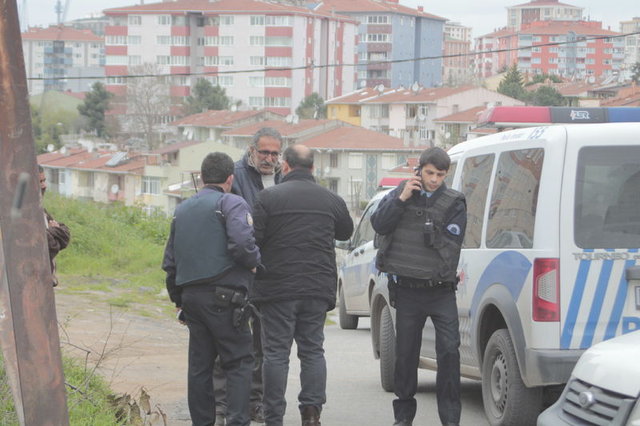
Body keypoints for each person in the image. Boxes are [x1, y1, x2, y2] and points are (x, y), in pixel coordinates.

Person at [251, 144, 354, 426]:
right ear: (313, 168)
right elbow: (346, 231)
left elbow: (253, 239)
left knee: (275, 353)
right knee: (312, 350)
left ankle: (273, 416)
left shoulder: (268, 197)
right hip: (316, 288)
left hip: (277, 288)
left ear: (284, 166)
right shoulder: (331, 199)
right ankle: (311, 413)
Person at [162, 152, 260, 426]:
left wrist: (178, 300)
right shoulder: (231, 203)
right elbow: (242, 244)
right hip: (226, 298)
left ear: (201, 178)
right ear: (231, 178)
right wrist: (253, 263)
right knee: (239, 362)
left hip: (192, 299)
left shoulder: (182, 209)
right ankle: (237, 421)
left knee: (200, 367)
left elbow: (170, 262)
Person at [371, 147, 467, 426]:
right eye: (429, 173)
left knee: (449, 353)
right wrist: (401, 200)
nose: (435, 179)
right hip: (408, 290)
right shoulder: (401, 193)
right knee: (405, 356)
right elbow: (380, 224)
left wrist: (428, 221)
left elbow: (450, 247)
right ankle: (403, 417)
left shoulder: (454, 202)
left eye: (440, 174)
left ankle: (450, 420)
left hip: (440, 291)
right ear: (419, 170)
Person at [212, 127, 283, 425]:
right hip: (239, 271)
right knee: (228, 341)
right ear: (251, 150)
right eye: (264, 152)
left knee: (262, 345)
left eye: (274, 153)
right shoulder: (236, 176)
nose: (268, 158)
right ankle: (222, 405)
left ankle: (256, 402)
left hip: (271, 274)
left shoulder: (283, 178)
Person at [39, 165, 71, 287]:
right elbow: (49, 246)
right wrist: (53, 233)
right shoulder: (22, 213)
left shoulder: (41, 210)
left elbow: (65, 235)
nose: (44, 186)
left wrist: (51, 232)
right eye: (39, 182)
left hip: (45, 283)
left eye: (44, 181)